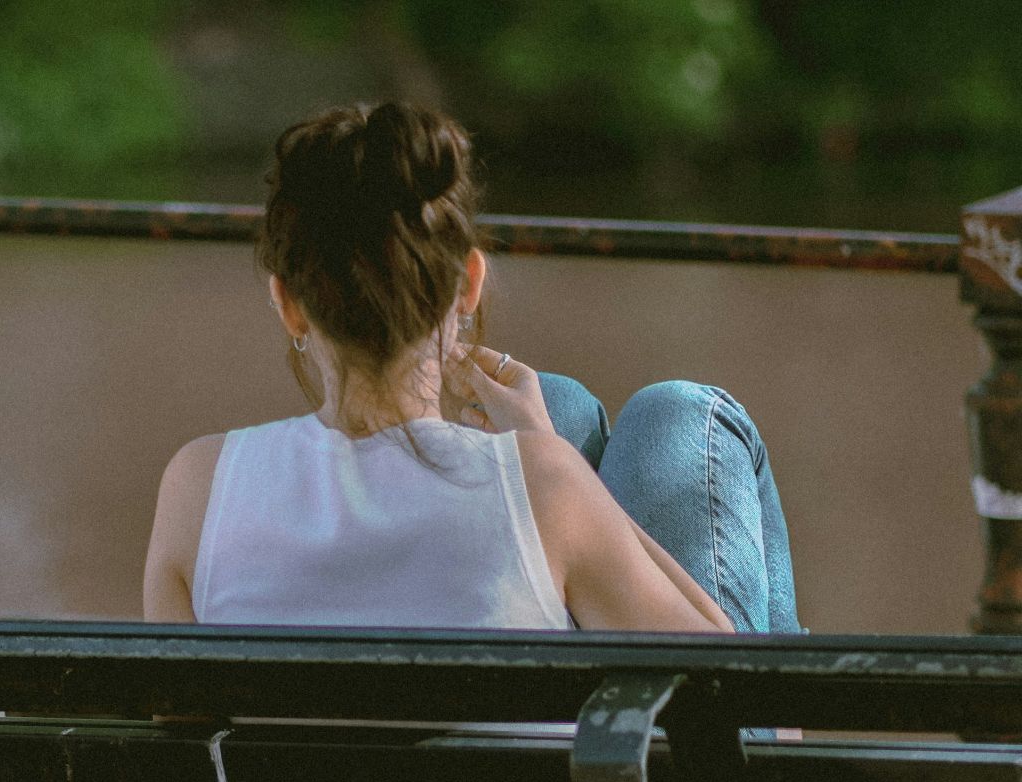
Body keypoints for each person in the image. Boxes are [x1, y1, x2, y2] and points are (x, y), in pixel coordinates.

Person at [145, 100, 795, 638]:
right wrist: (563, 471)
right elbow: (728, 681)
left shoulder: (195, 487)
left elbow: (180, 738)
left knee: (562, 409)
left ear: (287, 303)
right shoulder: (547, 485)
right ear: (468, 285)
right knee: (685, 415)